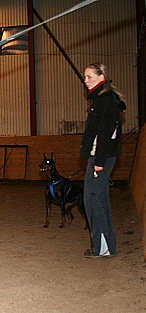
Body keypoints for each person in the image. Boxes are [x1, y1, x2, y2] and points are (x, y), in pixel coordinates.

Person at [80, 62, 126, 258]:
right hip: (98, 157)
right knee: (94, 198)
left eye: (90, 76)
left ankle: (102, 247)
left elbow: (107, 134)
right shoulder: (101, 100)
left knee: (95, 200)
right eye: (85, 77)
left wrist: (99, 161)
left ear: (101, 77)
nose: (86, 80)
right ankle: (106, 245)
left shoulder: (106, 101)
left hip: (101, 158)